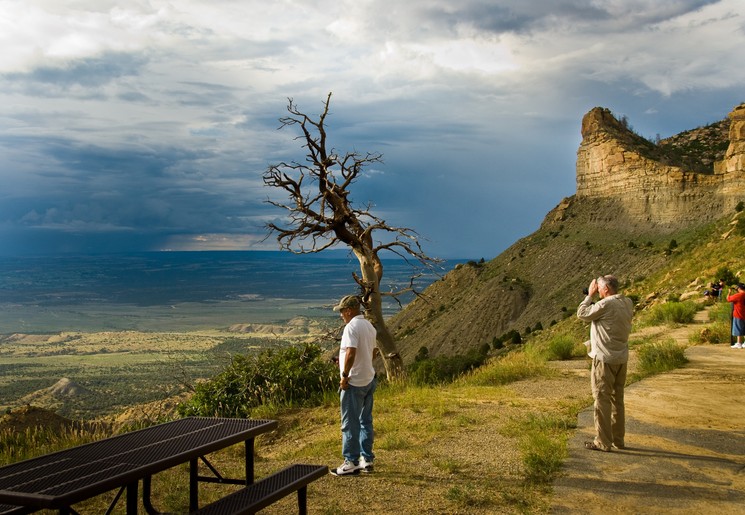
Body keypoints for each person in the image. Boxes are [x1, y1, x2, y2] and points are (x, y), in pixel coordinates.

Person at [577, 275, 634, 452]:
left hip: (604, 360)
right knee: (618, 400)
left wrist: (589, 296)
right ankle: (618, 440)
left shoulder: (605, 304)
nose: (598, 291)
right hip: (621, 358)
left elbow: (582, 314)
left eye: (599, 288)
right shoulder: (627, 302)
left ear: (606, 289)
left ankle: (603, 441)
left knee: (602, 400)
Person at [330, 295, 378, 476]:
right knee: (365, 421)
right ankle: (367, 459)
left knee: (349, 423)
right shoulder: (369, 326)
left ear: (349, 310)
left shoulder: (351, 327)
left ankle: (351, 461)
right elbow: (372, 354)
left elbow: (351, 352)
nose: (341, 315)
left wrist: (344, 375)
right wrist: (342, 362)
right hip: (369, 379)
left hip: (354, 382)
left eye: (342, 311)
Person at [726, 283, 745, 348]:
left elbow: (728, 299)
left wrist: (729, 292)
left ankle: (739, 343)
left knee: (738, 328)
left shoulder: (739, 295)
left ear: (739, 288)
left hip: (738, 314)